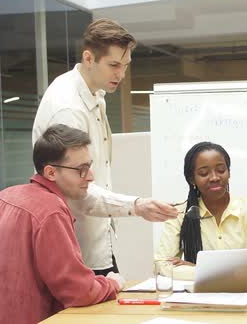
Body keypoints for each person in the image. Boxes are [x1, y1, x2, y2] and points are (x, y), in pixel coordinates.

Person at [32, 18, 177, 276]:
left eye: (125, 66)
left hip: (96, 240)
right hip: (75, 248)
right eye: (113, 65)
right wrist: (137, 205)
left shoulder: (94, 93)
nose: (121, 74)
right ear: (89, 58)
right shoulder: (69, 109)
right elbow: (77, 189)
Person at [0, 124, 127, 324]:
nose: (91, 176)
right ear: (51, 172)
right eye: (81, 170)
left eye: (89, 166)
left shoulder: (3, 197)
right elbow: (78, 291)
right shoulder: (51, 211)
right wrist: (111, 283)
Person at [155, 142, 247, 280]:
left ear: (229, 172)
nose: (214, 177)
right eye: (203, 173)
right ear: (192, 179)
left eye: (221, 170)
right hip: (198, 298)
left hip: (245, 295)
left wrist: (199, 269)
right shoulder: (179, 214)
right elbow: (163, 264)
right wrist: (236, 272)